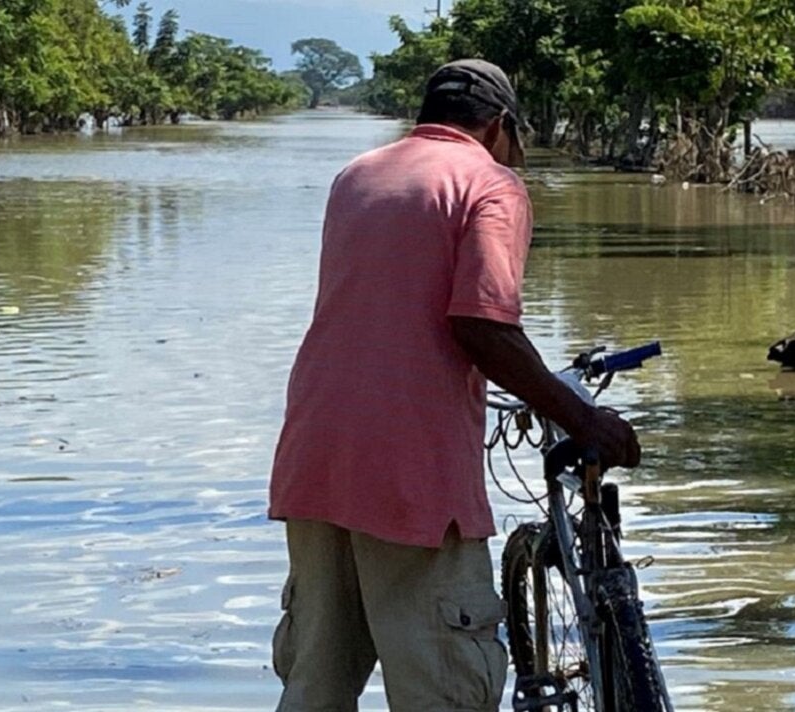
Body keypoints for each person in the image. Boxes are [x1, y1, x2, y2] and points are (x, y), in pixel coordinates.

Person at [267, 59, 642, 711]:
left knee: (316, 685)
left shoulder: (356, 175)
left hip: (315, 452)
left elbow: (390, 312)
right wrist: (582, 418)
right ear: (499, 126)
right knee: (443, 687)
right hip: (408, 468)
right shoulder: (490, 183)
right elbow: (481, 324)